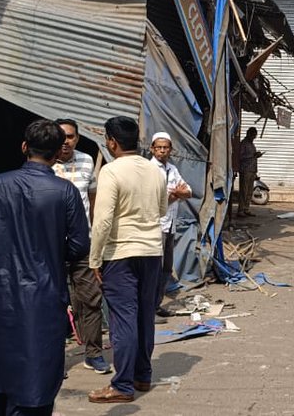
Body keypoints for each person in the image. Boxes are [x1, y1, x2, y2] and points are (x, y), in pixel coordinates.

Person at [0, 120, 90, 416]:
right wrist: (52, 253)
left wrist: (1, 251)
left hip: (2, 296)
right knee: (39, 379)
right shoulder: (65, 191)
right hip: (46, 295)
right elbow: (80, 245)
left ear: (23, 147)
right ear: (59, 152)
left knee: (5, 381)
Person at [88, 117, 170, 404]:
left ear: (111, 141)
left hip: (120, 254)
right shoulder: (155, 171)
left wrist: (94, 259)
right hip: (151, 252)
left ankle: (122, 384)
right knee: (145, 315)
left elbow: (102, 221)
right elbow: (161, 210)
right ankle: (142, 375)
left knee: (123, 320)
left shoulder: (111, 172)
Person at [51, 119, 110, 375]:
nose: (66, 141)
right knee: (52, 303)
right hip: (51, 246)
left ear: (77, 138)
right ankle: (54, 359)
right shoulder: (44, 164)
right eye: (62, 136)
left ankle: (94, 353)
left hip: (83, 244)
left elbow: (94, 201)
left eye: (71, 136)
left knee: (91, 300)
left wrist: (97, 239)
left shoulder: (86, 161)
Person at [149, 132, 192, 314]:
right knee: (154, 270)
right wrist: (174, 195)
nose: (162, 151)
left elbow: (188, 191)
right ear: (152, 149)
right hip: (155, 226)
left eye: (165, 148)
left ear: (170, 150)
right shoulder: (149, 170)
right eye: (158, 147)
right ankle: (149, 306)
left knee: (166, 268)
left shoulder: (172, 169)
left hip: (170, 225)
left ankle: (156, 304)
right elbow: (155, 201)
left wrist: (175, 195)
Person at [237, 127, 262, 218]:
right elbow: (240, 156)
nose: (254, 137)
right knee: (244, 190)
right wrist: (252, 155)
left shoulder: (252, 144)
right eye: (253, 135)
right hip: (245, 170)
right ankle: (241, 209)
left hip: (252, 170)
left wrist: (257, 155)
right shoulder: (244, 144)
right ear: (249, 134)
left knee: (249, 191)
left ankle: (246, 208)